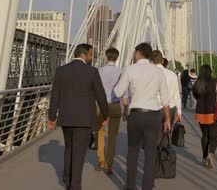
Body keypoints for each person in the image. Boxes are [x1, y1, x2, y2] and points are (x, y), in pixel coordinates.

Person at [48, 44, 109, 190]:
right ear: (84, 55)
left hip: (66, 118)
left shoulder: (61, 70)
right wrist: (105, 114)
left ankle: (67, 180)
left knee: (69, 148)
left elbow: (54, 96)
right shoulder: (92, 72)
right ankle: (75, 185)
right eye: (91, 55)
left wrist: (51, 117)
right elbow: (101, 96)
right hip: (84, 119)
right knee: (79, 153)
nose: (92, 57)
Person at [114, 43, 171, 190]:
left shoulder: (129, 69)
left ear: (138, 53)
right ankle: (147, 187)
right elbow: (165, 98)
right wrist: (168, 119)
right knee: (150, 154)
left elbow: (118, 92)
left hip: (136, 115)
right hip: (153, 116)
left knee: (133, 152)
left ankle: (130, 186)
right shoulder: (158, 72)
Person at [95, 47, 125, 175]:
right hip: (115, 104)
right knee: (112, 136)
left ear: (106, 57)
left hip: (100, 105)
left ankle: (101, 160)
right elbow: (125, 92)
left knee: (100, 132)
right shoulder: (121, 72)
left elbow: (94, 89)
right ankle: (109, 164)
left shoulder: (99, 71)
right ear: (117, 57)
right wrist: (127, 109)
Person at [192, 64, 217, 169]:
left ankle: (203, 158)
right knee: (214, 136)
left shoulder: (197, 83)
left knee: (205, 135)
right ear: (210, 72)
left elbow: (195, 96)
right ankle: (211, 154)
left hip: (201, 113)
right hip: (213, 112)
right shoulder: (216, 82)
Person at [151, 51, 182, 132]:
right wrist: (179, 111)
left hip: (154, 108)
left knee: (152, 136)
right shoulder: (172, 75)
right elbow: (176, 95)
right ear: (162, 61)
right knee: (166, 134)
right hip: (170, 108)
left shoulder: (149, 74)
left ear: (151, 61)